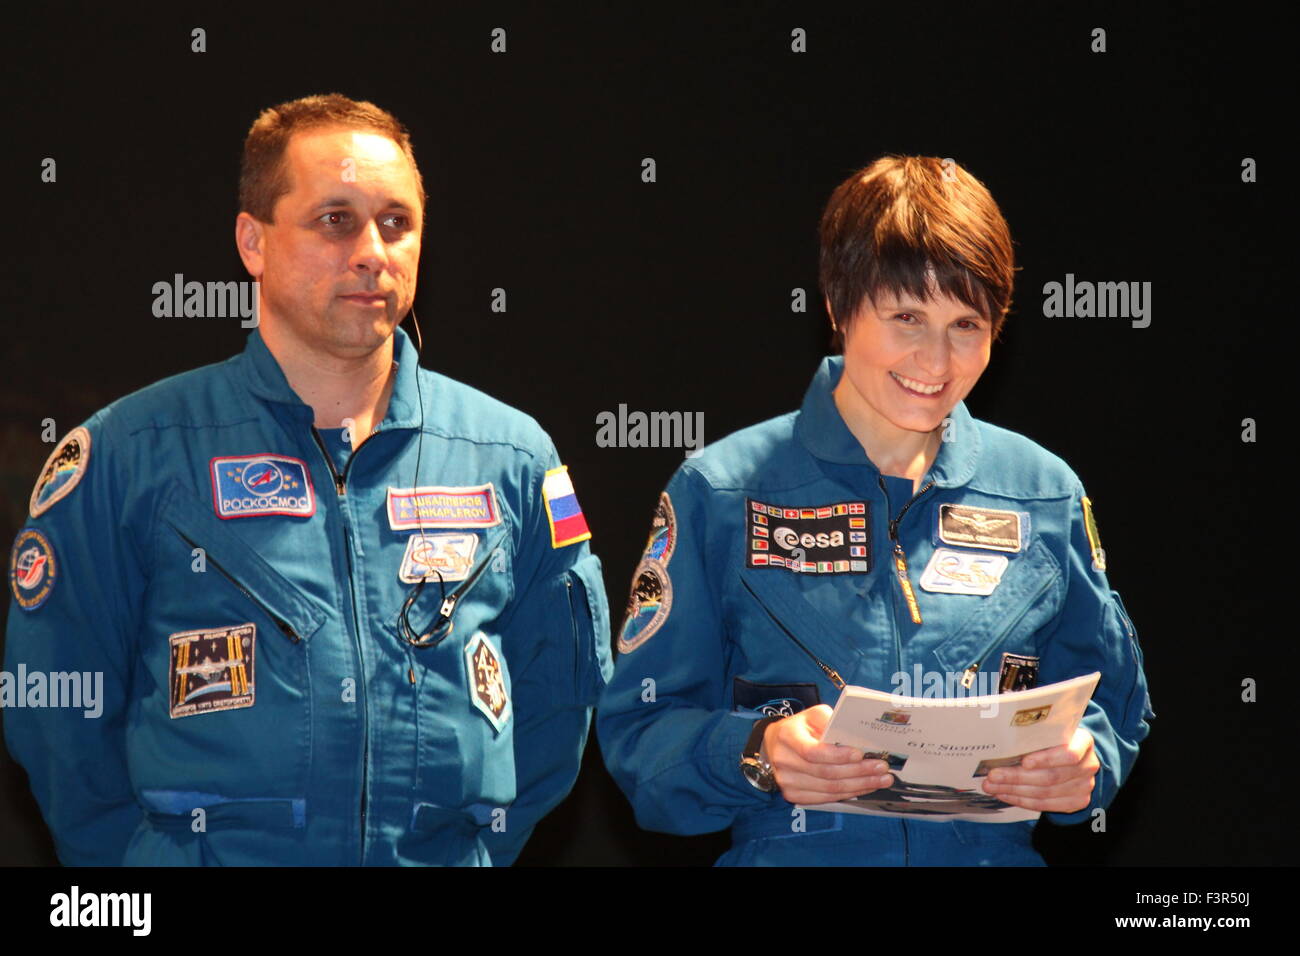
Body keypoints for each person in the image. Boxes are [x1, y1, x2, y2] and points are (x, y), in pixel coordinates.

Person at [4, 94, 611, 866]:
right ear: (252, 242)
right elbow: (58, 720)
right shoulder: (132, 453)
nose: (372, 251)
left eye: (396, 223)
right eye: (335, 220)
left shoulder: (512, 457)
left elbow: (559, 710)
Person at [596, 155, 1153, 866]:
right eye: (906, 317)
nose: (936, 358)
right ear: (837, 304)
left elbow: (1115, 706)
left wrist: (1086, 763)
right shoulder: (723, 490)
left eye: (967, 324)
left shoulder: (1043, 492)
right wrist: (757, 753)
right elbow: (640, 734)